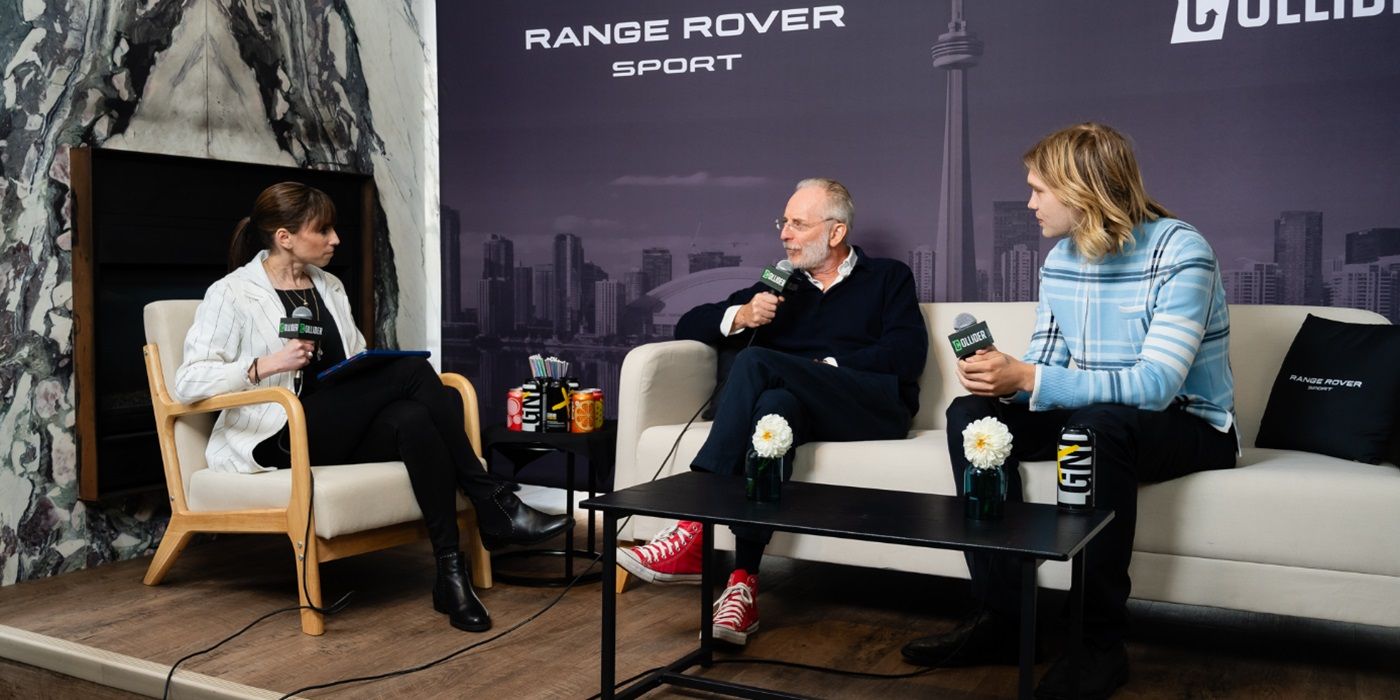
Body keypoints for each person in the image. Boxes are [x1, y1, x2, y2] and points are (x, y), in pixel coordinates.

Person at [899, 124, 1237, 699]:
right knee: (971, 415)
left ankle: (1097, 644)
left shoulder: (1182, 250)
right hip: (1094, 418)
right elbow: (1044, 367)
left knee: (1096, 428)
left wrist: (1031, 377)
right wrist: (1003, 381)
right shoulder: (1060, 259)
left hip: (1189, 424)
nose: (1029, 203)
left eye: (1038, 190)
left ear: (1082, 189)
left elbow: (1155, 386)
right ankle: (1004, 619)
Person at [173, 182, 571, 633]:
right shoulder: (231, 293)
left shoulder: (329, 286)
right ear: (284, 237)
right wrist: (266, 364)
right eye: (322, 230)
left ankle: (450, 573)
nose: (334, 239)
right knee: (414, 371)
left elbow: (355, 360)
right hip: (277, 435)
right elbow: (188, 382)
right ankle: (492, 502)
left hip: (333, 426)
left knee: (414, 416)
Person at [616, 178, 928, 645]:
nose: (784, 233)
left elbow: (906, 355)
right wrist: (742, 315)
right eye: (783, 222)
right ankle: (743, 583)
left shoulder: (888, 277)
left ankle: (694, 521)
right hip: (801, 409)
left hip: (869, 406)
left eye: (798, 224)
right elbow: (688, 322)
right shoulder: (781, 284)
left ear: (836, 232)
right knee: (772, 414)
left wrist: (823, 369)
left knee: (758, 362)